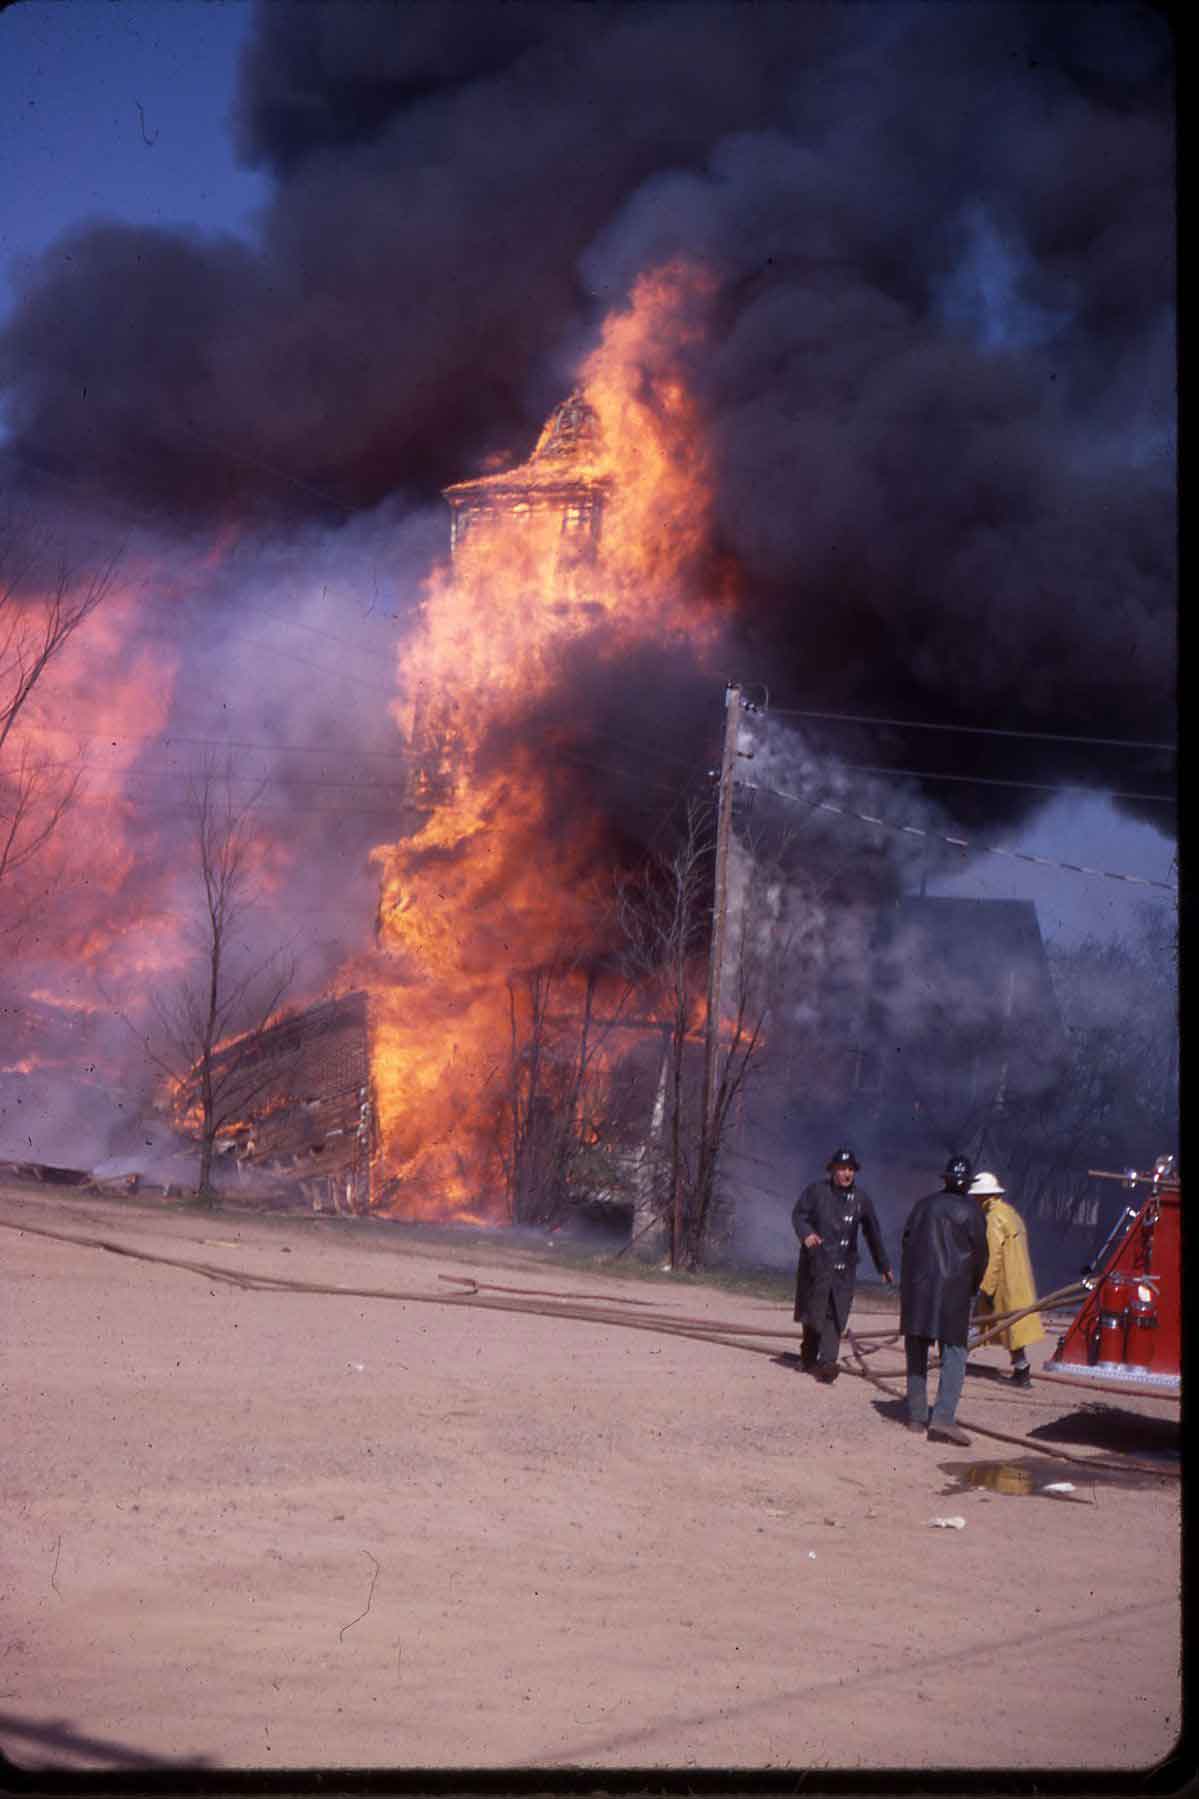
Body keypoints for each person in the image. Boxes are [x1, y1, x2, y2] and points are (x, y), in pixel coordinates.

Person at [899, 1154, 989, 1444]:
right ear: (967, 1184)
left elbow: (906, 1246)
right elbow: (980, 1259)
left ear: (946, 1179)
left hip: (918, 1292)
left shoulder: (923, 1206)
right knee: (954, 1356)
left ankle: (915, 1416)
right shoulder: (974, 1213)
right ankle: (943, 1419)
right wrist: (971, 1289)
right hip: (954, 1294)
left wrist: (910, 1287)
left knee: (916, 1353)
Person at [792, 1148, 893, 1384]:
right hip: (817, 1262)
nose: (846, 1174)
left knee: (836, 1313)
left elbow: (873, 1233)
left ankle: (828, 1363)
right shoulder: (816, 1192)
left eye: (850, 1170)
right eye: (842, 1169)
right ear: (833, 1171)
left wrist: (883, 1265)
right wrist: (806, 1234)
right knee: (814, 1311)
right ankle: (808, 1356)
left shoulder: (861, 1200)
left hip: (844, 1267)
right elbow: (799, 1215)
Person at [968, 1171, 1044, 1387]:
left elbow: (993, 1256)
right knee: (1013, 1328)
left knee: (977, 1323)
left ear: (983, 1196)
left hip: (1002, 1283)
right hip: (1018, 1282)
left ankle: (953, 1359)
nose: (974, 1200)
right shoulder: (1010, 1213)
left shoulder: (993, 1219)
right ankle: (1022, 1370)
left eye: (976, 1196)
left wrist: (986, 1289)